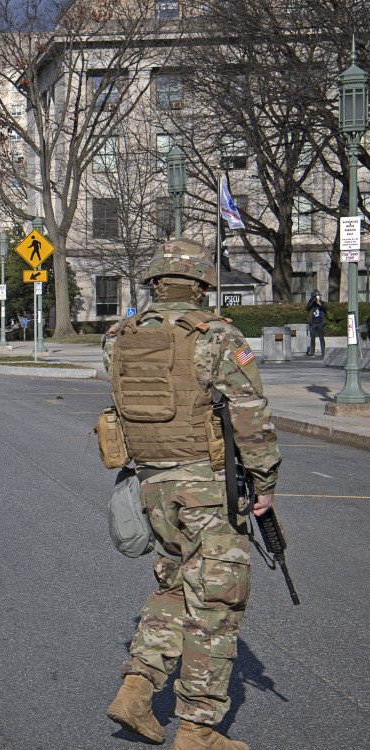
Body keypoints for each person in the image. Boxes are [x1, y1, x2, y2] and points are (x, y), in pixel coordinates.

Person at [102, 238, 281, 750]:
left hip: (151, 485)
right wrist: (265, 482)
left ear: (156, 282)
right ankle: (198, 730)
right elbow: (250, 413)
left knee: (176, 586)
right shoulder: (218, 336)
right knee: (216, 605)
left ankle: (137, 690)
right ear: (203, 285)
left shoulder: (118, 337)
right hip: (206, 485)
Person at [305, 290, 327, 357]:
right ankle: (312, 352)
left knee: (321, 338)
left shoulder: (321, 303)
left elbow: (325, 308)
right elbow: (307, 308)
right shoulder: (311, 303)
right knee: (312, 338)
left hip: (320, 322)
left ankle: (323, 352)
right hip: (313, 323)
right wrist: (311, 302)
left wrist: (319, 303)